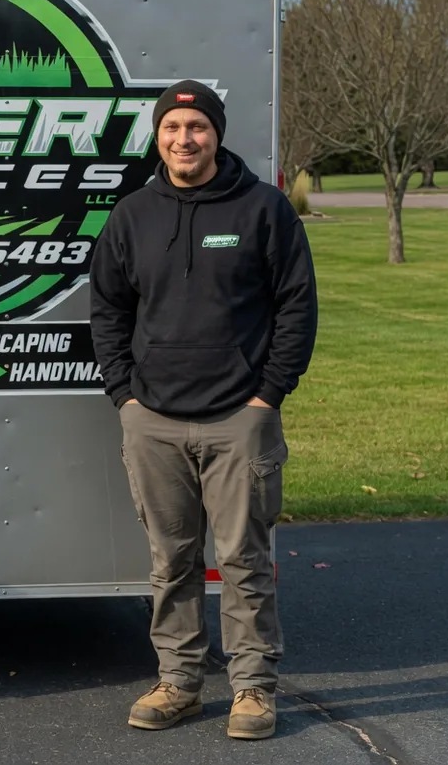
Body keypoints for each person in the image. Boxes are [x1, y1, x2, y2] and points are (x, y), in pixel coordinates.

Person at [88, 79, 318, 741]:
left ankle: (252, 690)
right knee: (172, 559)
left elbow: (296, 306)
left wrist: (267, 395)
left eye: (197, 128)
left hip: (238, 418)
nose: (185, 140)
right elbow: (107, 306)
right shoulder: (133, 214)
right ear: (158, 136)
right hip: (153, 418)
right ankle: (180, 682)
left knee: (244, 557)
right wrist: (125, 395)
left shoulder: (263, 209)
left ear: (216, 134)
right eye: (173, 129)